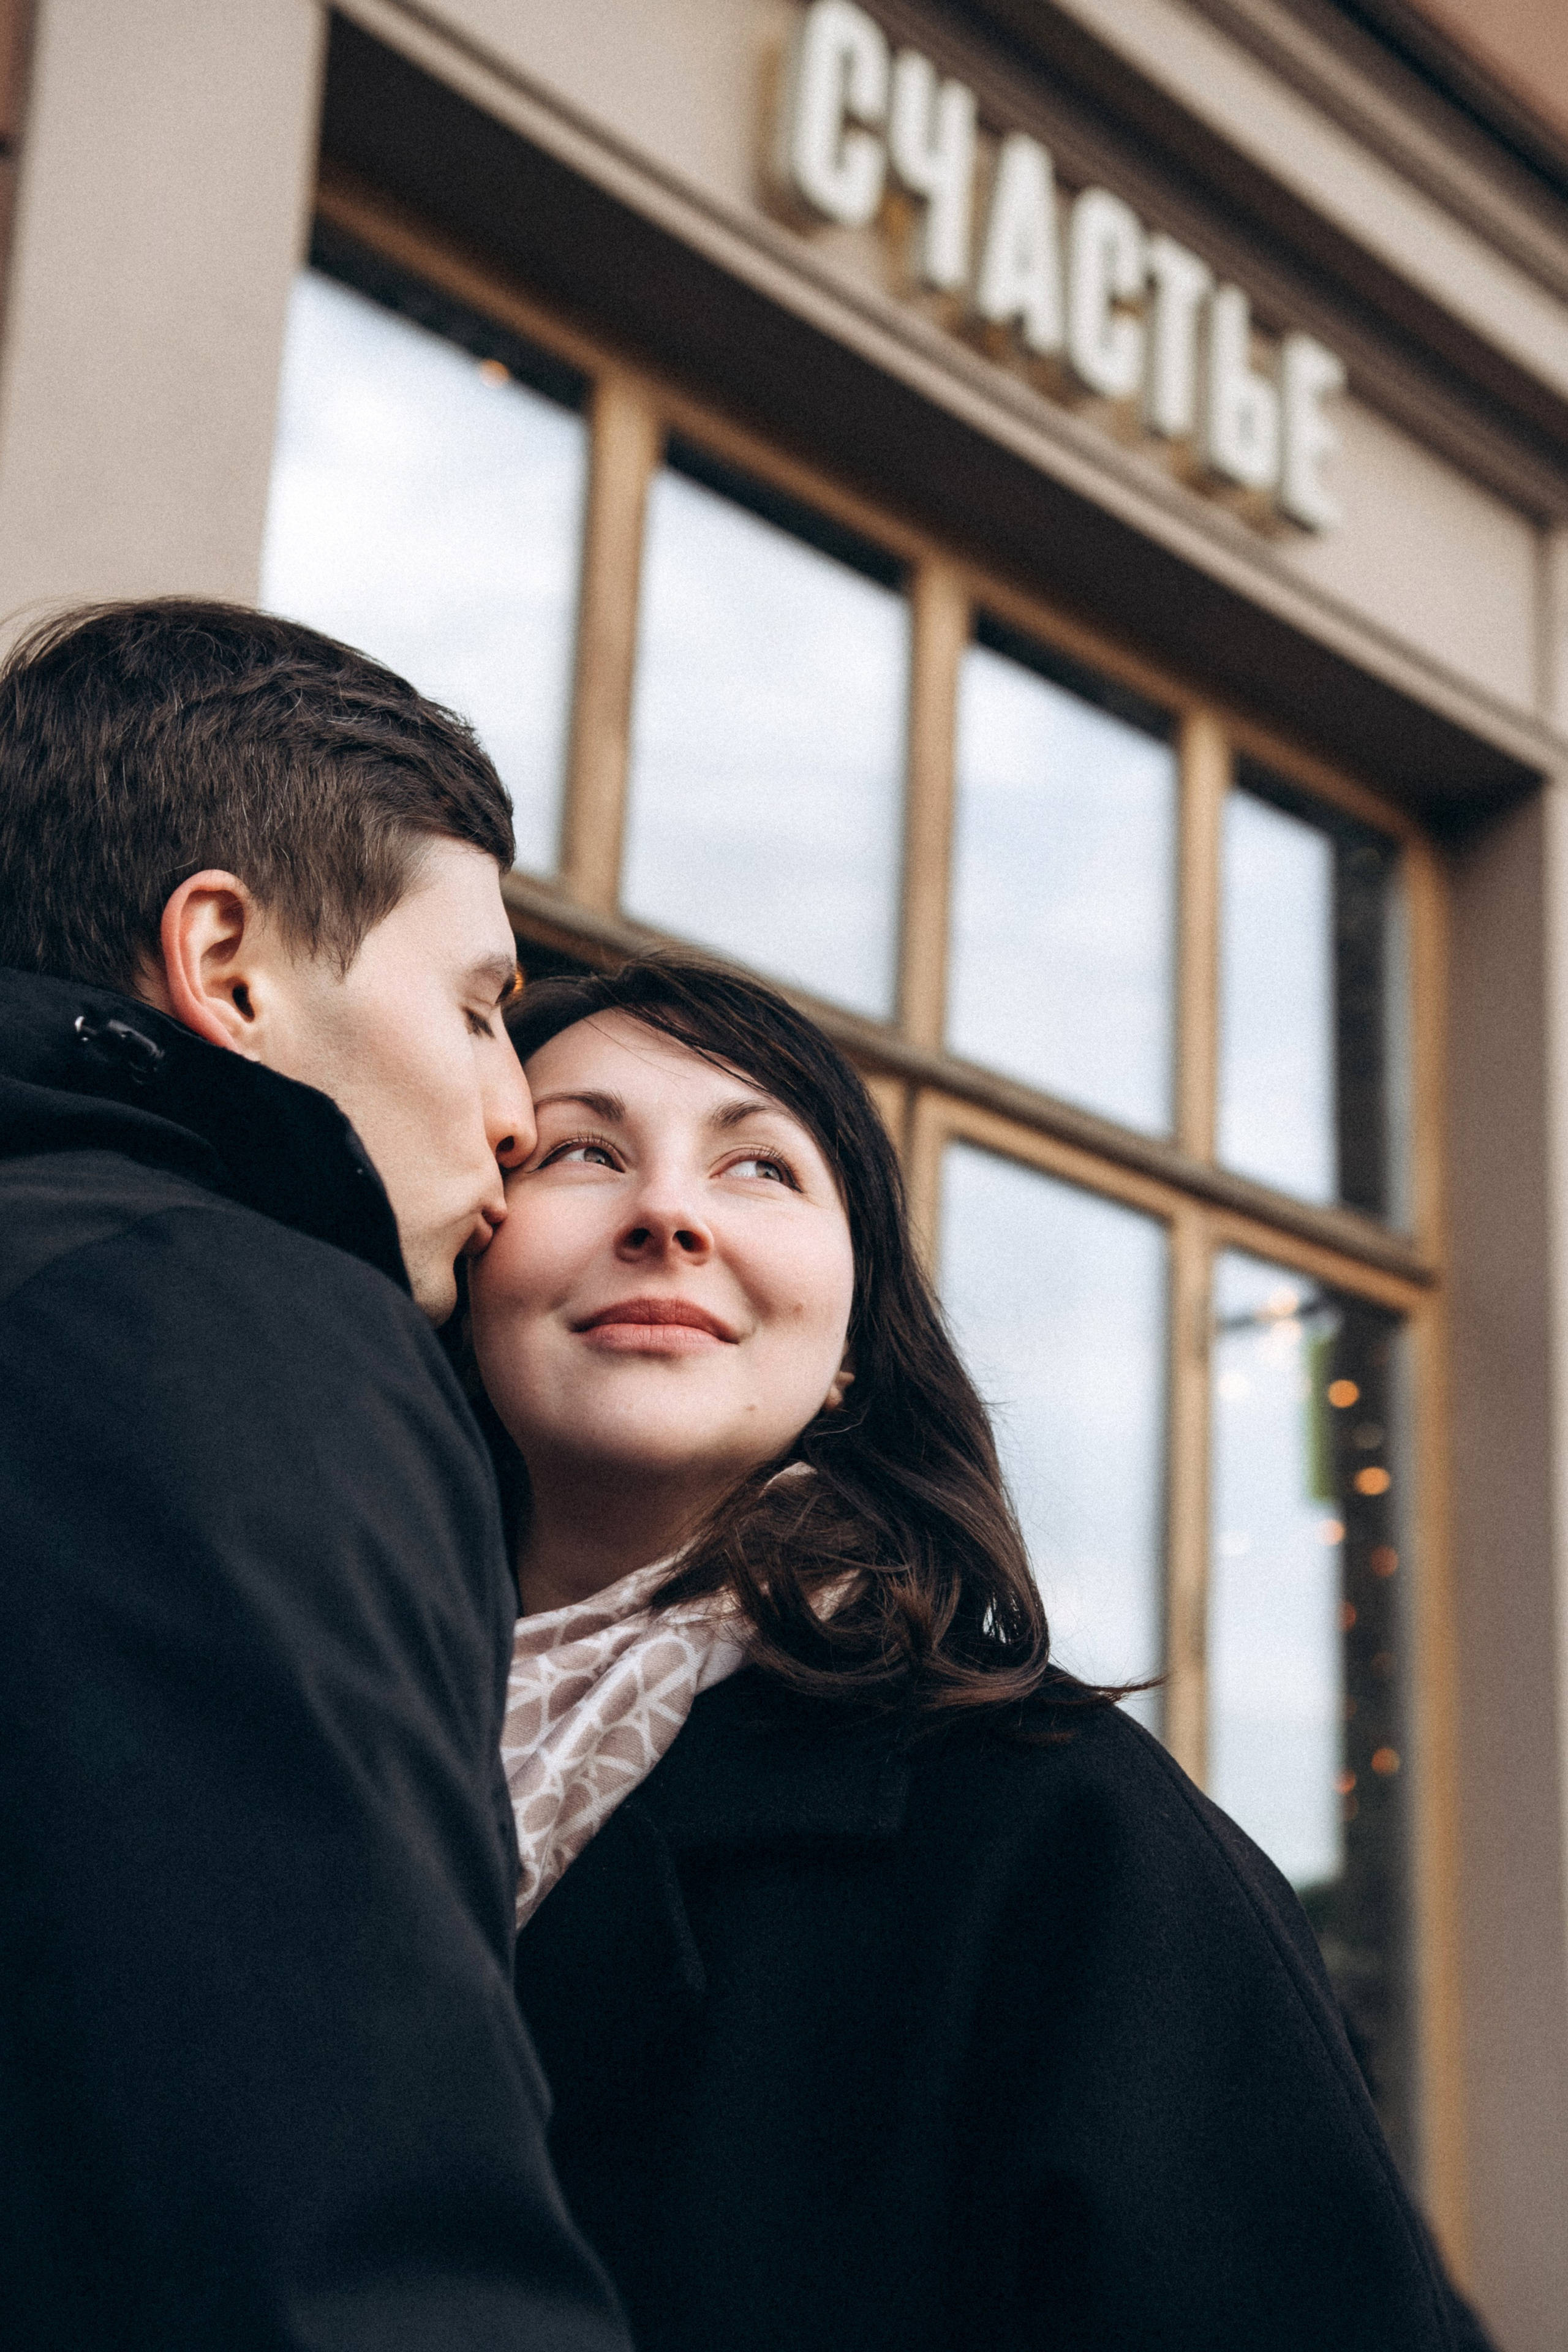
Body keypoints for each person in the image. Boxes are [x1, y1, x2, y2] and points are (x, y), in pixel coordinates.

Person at [469, 952, 1489, 2352]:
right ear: (465, 1252)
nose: (665, 1214)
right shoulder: (289, 1758)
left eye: (760, 1169)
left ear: (843, 1352)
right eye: (582, 1150)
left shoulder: (1056, 1825)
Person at [0, 601, 631, 2351]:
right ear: (233, 967)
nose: (514, 1109)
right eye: (486, 1007)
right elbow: (334, 2201)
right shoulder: (226, 1320)